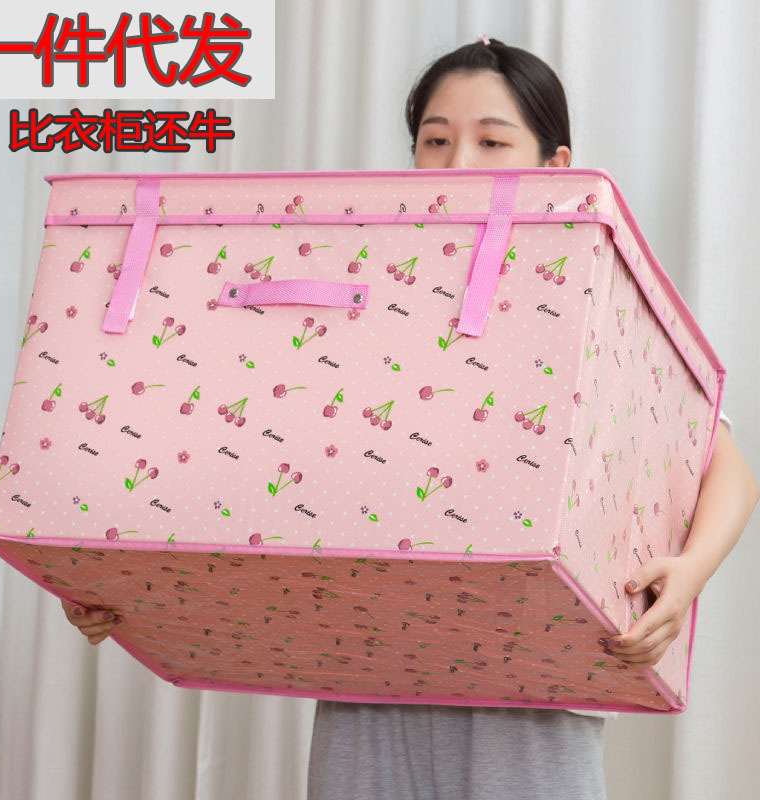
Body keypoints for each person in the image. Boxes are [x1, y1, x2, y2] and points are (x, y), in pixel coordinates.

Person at [61, 36, 760, 800]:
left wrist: (686, 577)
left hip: (531, 692)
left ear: (554, 164)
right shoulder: (361, 281)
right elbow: (247, 452)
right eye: (436, 140)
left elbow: (721, 462)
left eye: (492, 141)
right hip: (368, 674)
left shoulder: (592, 289)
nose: (458, 162)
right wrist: (117, 576)